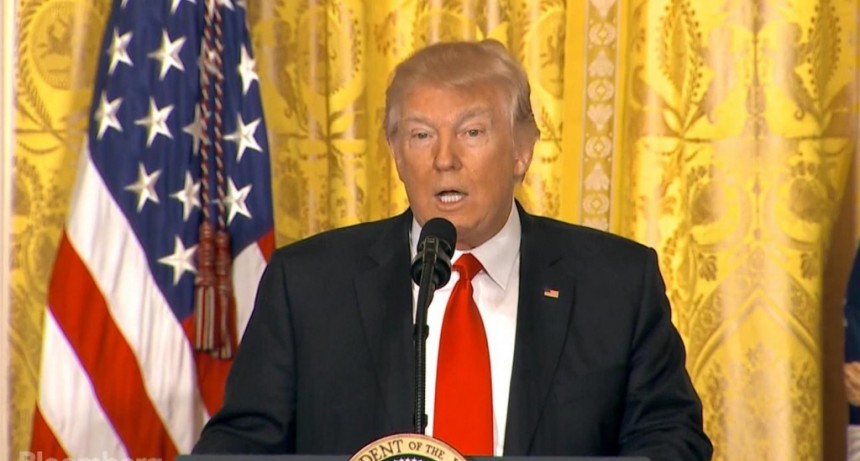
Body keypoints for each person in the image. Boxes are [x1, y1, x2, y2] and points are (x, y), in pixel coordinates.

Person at [193, 39, 713, 460]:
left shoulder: (616, 284)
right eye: (421, 135)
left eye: (472, 132)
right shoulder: (308, 285)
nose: (445, 158)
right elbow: (241, 446)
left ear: (522, 150)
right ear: (397, 155)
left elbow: (671, 439)